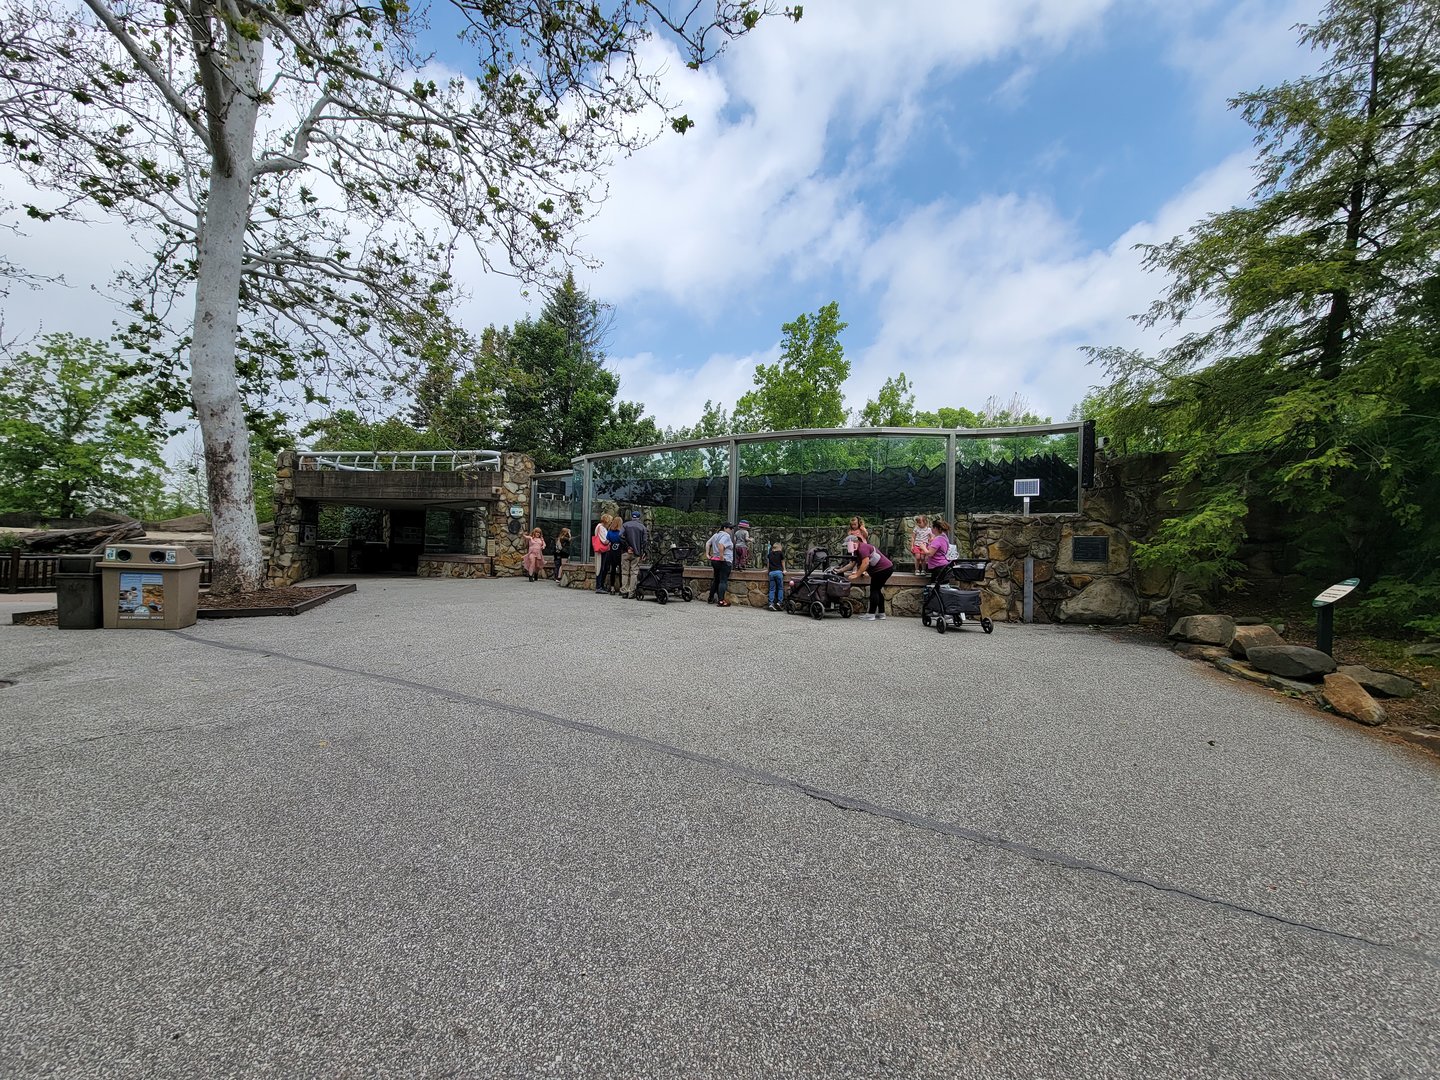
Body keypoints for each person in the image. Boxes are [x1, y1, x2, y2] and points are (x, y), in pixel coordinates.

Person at [848, 536, 894, 620]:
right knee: (877, 589)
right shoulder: (857, 551)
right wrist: (838, 570)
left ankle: (871, 614)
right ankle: (881, 613)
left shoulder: (863, 548)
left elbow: (865, 563)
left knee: (874, 590)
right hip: (886, 568)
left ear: (855, 542)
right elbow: (851, 564)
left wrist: (857, 574)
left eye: (849, 544)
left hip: (882, 569)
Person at [705, 522, 735, 606]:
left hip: (715, 560)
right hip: (724, 561)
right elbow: (721, 544)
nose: (732, 530)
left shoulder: (716, 535)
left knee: (716, 579)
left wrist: (707, 554)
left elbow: (708, 543)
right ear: (725, 528)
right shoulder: (726, 536)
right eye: (730, 528)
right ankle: (721, 601)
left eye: (732, 528)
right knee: (723, 581)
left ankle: (710, 598)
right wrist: (722, 556)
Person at [620, 510, 648, 597]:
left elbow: (620, 536)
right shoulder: (642, 527)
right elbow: (645, 541)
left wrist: (627, 547)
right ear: (639, 517)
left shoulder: (625, 525)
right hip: (636, 553)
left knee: (625, 572)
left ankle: (624, 591)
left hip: (626, 552)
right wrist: (644, 552)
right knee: (634, 573)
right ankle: (631, 592)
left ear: (632, 516)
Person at [925, 517, 953, 586]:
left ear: (936, 528)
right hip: (943, 567)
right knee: (943, 587)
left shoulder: (938, 539)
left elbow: (930, 553)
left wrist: (923, 547)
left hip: (939, 568)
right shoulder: (944, 537)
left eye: (932, 527)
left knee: (936, 588)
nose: (931, 529)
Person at [602, 516, 626, 594]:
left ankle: (612, 588)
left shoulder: (610, 532)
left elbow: (607, 541)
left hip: (611, 552)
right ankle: (621, 588)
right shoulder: (621, 533)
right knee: (621, 571)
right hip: (620, 552)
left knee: (613, 570)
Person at [593, 513, 613, 593]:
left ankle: (600, 585)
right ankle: (599, 586)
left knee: (602, 567)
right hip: (601, 550)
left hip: (602, 550)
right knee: (600, 567)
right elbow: (604, 540)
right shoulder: (601, 528)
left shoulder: (600, 527)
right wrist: (610, 540)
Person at [765, 541, 786, 611]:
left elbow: (768, 563)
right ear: (779, 548)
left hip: (771, 573)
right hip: (779, 572)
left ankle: (771, 603)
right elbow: (783, 561)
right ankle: (779, 603)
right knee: (780, 588)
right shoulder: (780, 553)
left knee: (772, 589)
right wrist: (784, 570)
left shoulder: (769, 554)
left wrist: (768, 571)